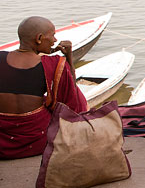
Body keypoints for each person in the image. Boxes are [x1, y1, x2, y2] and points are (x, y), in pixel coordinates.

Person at [0, 17, 87, 159]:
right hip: (37, 142)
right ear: (39, 38)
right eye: (52, 35)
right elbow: (71, 97)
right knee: (58, 100)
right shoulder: (53, 63)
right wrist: (68, 58)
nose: (54, 40)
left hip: (3, 142)